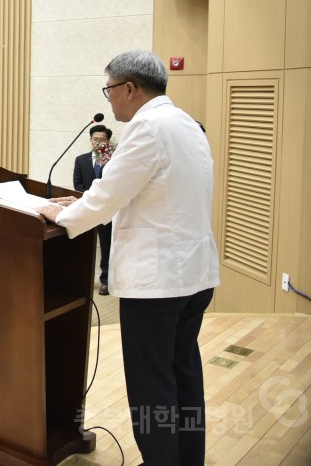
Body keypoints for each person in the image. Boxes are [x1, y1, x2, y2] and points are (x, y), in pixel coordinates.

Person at [38, 51, 219, 466]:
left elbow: (110, 194)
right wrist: (87, 201)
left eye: (110, 90)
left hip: (158, 284)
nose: (110, 99)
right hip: (194, 274)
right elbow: (151, 191)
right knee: (183, 375)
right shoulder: (186, 124)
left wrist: (64, 213)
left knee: (152, 385)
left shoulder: (147, 128)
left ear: (130, 89)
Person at [72, 125, 115, 296]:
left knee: (106, 247)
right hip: (86, 209)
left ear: (108, 142)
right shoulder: (81, 160)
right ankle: (81, 280)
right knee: (83, 246)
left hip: (106, 211)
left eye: (102, 140)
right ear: (90, 140)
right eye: (95, 139)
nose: (98, 143)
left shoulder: (114, 161)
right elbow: (78, 185)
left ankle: (106, 281)